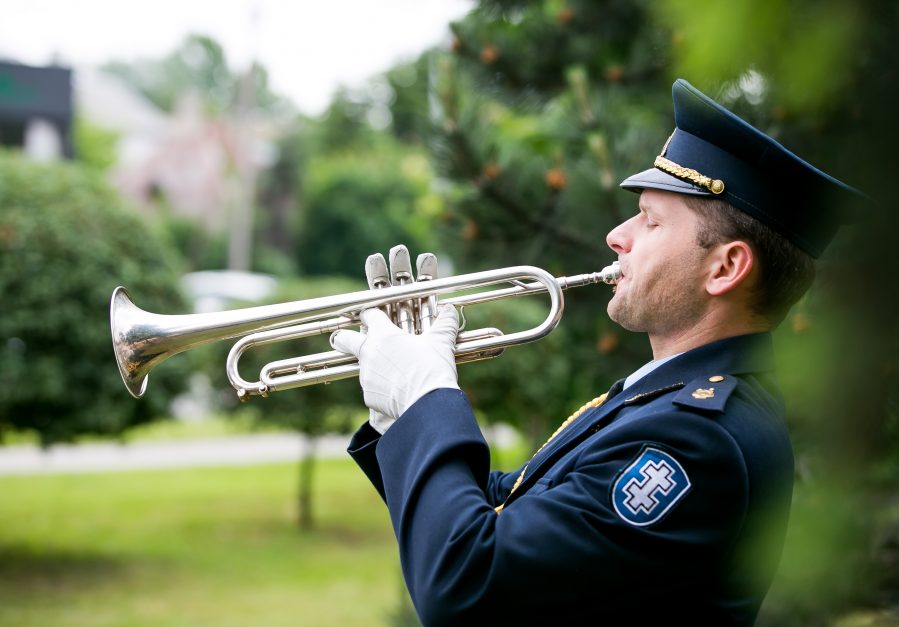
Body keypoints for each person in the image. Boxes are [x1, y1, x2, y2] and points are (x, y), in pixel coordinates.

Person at [331, 79, 863, 626]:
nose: (617, 234)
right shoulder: (666, 398)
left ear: (725, 268)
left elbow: (470, 584)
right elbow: (507, 508)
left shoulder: (697, 440)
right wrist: (399, 420)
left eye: (651, 221)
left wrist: (427, 395)